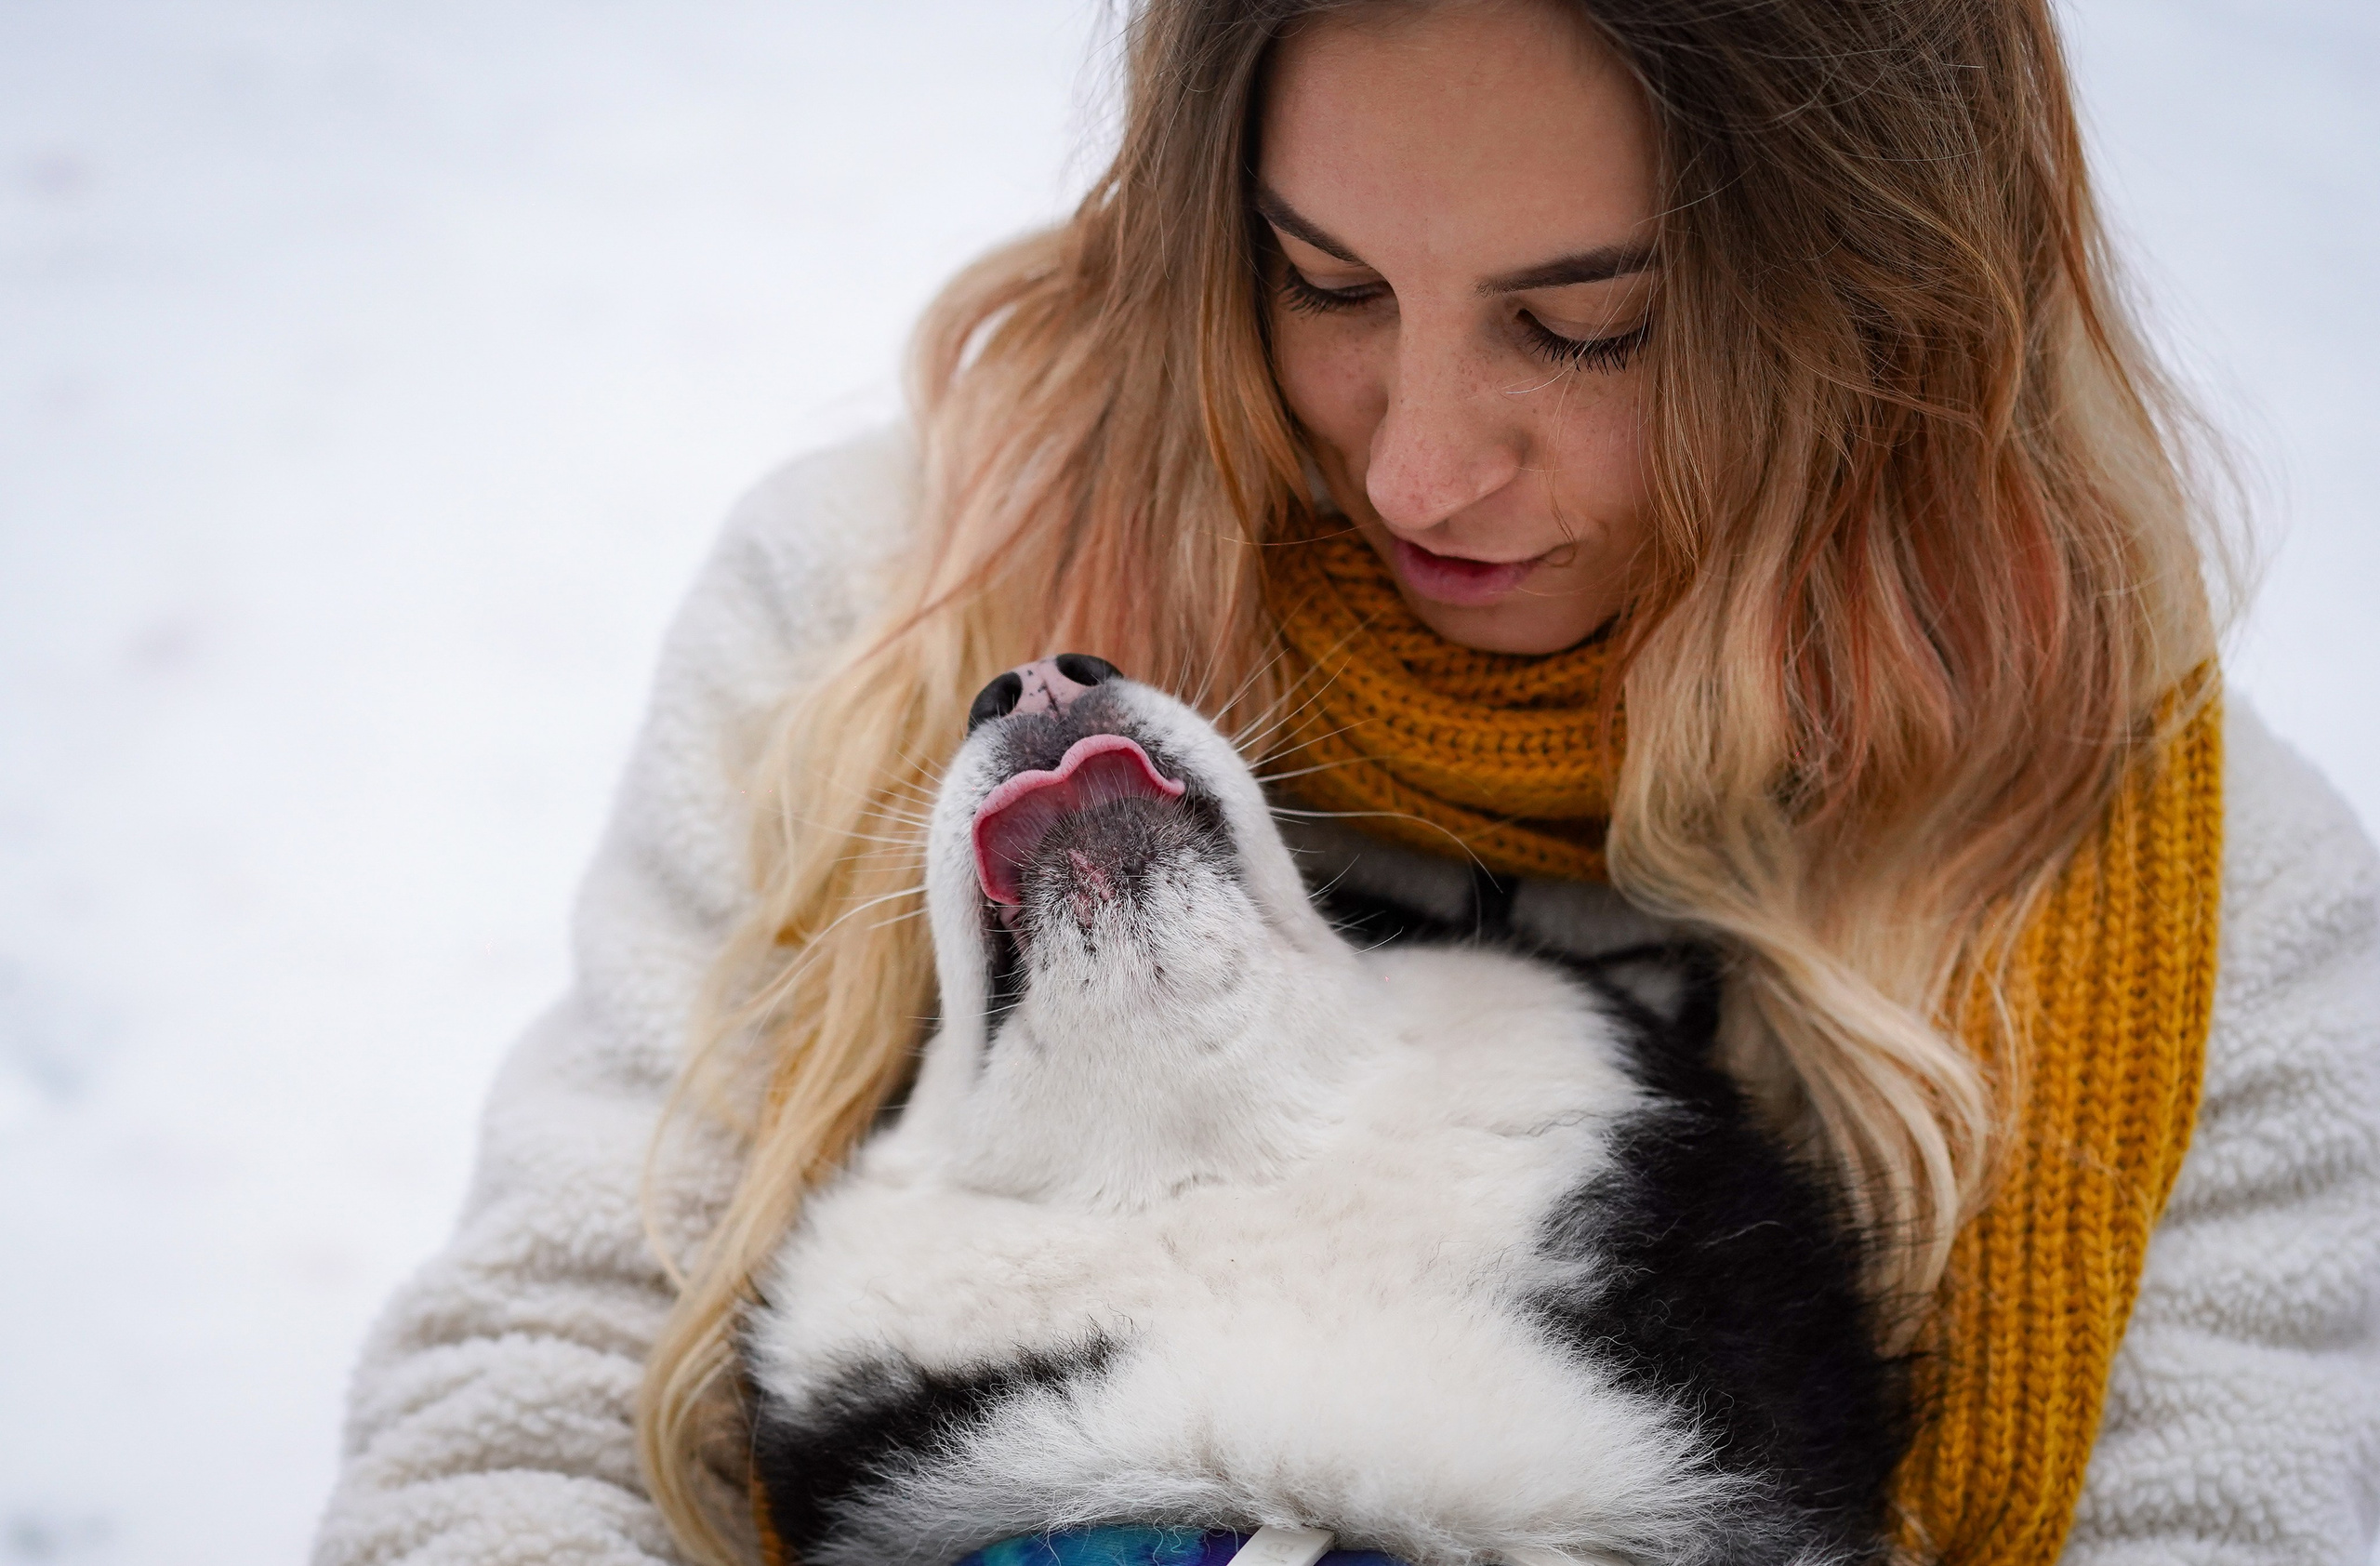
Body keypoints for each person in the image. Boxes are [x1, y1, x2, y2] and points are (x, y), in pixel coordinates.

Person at [311, 2, 2380, 1563]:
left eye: (1586, 329)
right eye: (1324, 286)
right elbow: (542, 1376)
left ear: (1883, 308)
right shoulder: (890, 615)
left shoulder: (2196, 903)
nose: (1416, 468)